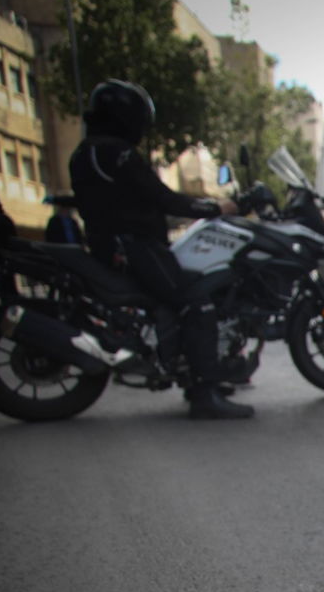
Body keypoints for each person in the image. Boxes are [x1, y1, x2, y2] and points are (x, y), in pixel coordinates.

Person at [68, 79, 251, 420]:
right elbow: (163, 198)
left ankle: (199, 370)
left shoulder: (86, 151)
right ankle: (204, 393)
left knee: (179, 300)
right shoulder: (115, 153)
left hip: (113, 245)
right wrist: (217, 208)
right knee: (197, 302)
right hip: (135, 246)